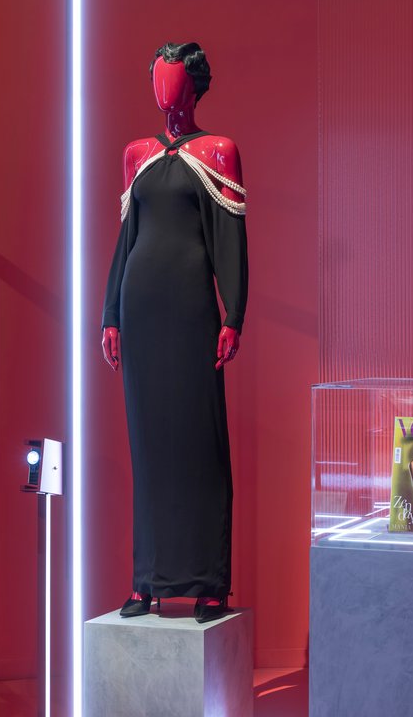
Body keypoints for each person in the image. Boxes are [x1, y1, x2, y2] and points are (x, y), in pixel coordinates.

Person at [101, 42, 248, 623]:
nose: (164, 91)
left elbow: (230, 239)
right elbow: (126, 241)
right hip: (141, 311)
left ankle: (209, 583)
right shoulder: (135, 154)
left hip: (190, 310)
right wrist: (111, 313)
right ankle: (148, 580)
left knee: (199, 442)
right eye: (159, 79)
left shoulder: (219, 151)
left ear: (193, 86)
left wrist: (233, 313)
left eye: (174, 80)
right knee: (149, 446)